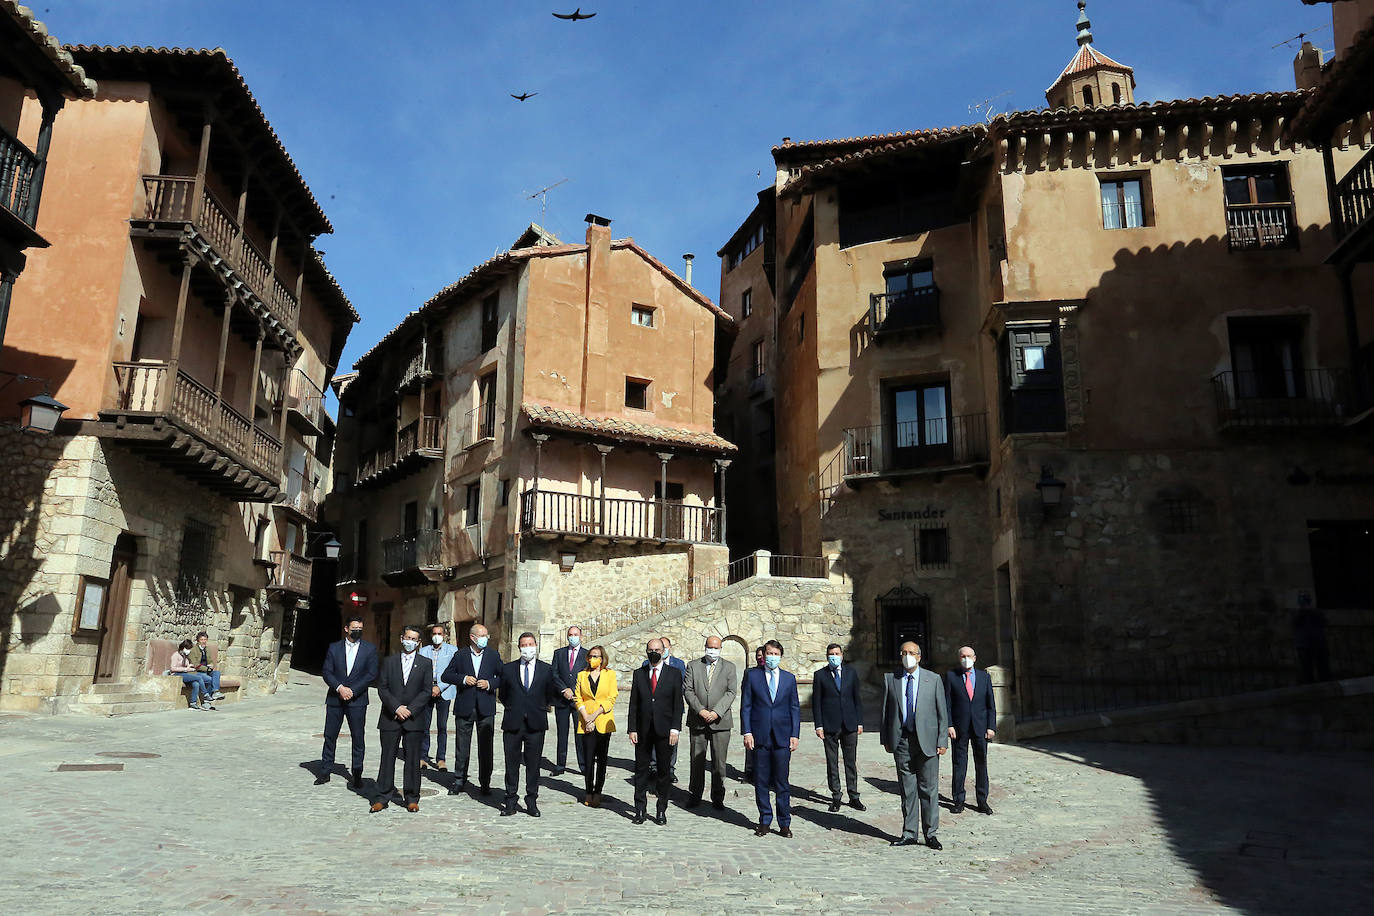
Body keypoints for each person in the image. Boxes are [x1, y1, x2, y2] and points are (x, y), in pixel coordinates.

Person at [880, 641, 949, 849]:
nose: (907, 656)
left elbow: (941, 713)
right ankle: (909, 832)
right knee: (907, 790)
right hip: (902, 742)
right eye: (903, 652)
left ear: (919, 656)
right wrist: (886, 739)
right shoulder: (891, 679)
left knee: (928, 789)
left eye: (911, 653)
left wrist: (942, 740)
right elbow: (885, 712)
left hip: (927, 742)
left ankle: (931, 833)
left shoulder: (933, 679)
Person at [740, 639, 801, 838]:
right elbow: (746, 706)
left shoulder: (789, 678)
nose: (772, 657)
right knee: (761, 781)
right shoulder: (753, 677)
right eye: (769, 653)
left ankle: (784, 822)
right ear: (763, 655)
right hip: (760, 735)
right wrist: (747, 732)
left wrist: (795, 734)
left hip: (782, 737)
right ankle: (765, 820)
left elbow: (794, 708)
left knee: (782, 782)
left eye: (776, 654)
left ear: (780, 656)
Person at [370, 625, 434, 813]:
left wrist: (410, 709)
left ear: (419, 642)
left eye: (414, 639)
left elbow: (426, 691)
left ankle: (412, 797)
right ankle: (382, 796)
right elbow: (382, 687)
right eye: (407, 637)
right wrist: (396, 707)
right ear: (401, 638)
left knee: (413, 759)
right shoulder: (389, 662)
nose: (410, 642)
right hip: (391, 716)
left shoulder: (425, 663)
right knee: (387, 757)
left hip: (414, 719)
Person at [497, 632, 558, 816]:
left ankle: (531, 800)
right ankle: (510, 800)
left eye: (530, 644)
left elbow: (550, 694)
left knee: (533, 765)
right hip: (513, 723)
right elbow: (503, 695)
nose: (527, 648)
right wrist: (516, 708)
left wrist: (537, 708)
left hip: (536, 723)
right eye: (524, 645)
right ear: (519, 648)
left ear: (536, 645)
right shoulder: (508, 669)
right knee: (511, 764)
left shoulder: (546, 670)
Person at [627, 637, 684, 825]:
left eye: (658, 650)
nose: (654, 653)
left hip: (665, 730)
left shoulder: (674, 674)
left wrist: (675, 729)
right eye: (650, 649)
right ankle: (640, 809)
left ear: (663, 651)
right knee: (641, 771)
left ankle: (661, 809)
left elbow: (678, 704)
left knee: (663, 772)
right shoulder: (639, 673)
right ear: (646, 651)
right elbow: (633, 703)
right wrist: (632, 729)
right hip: (643, 730)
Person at [441, 623, 502, 795]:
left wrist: (490, 683)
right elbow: (446, 675)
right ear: (472, 637)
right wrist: (463, 679)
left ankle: (485, 782)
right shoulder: (460, 655)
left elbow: (503, 677)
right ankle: (459, 780)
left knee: (486, 747)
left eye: (486, 635)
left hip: (486, 707)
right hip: (465, 706)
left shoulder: (493, 655)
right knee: (462, 746)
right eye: (481, 636)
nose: (485, 639)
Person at [318, 616, 378, 788]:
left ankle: (357, 772)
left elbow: (371, 674)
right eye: (354, 627)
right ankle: (325, 770)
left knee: (358, 737)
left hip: (357, 700)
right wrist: (339, 688)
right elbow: (327, 672)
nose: (357, 630)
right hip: (335, 699)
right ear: (346, 629)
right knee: (330, 735)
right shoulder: (334, 648)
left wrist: (353, 690)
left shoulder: (369, 649)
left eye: (360, 627)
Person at [684, 635, 737, 809]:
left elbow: (731, 692)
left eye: (716, 648)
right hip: (698, 720)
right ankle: (695, 794)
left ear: (721, 648)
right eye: (710, 647)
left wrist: (716, 712)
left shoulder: (729, 667)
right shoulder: (693, 666)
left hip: (720, 722)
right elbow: (688, 690)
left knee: (719, 762)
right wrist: (701, 710)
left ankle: (718, 796)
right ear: (705, 647)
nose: (712, 651)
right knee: (697, 760)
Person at [812, 643, 866, 813]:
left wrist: (859, 722)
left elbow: (857, 698)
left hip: (849, 724)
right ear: (827, 656)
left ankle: (854, 796)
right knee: (832, 762)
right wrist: (819, 725)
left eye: (837, 653)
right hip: (830, 725)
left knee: (851, 762)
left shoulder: (851, 673)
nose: (834, 656)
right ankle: (836, 795)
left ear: (842, 655)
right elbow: (816, 703)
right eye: (831, 654)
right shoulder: (820, 675)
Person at [944, 645, 996, 815]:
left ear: (975, 658)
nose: (966, 658)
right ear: (959, 658)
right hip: (959, 728)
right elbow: (947, 704)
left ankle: (982, 800)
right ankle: (958, 800)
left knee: (981, 764)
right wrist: (949, 724)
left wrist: (991, 726)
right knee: (959, 764)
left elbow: (990, 705)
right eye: (962, 656)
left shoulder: (984, 677)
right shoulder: (951, 676)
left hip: (980, 727)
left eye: (969, 656)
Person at [574, 644, 617, 806]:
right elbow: (578, 698)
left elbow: (611, 698)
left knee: (602, 759)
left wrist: (594, 715)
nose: (593, 659)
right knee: (588, 758)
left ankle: (598, 790)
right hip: (586, 721)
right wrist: (586, 718)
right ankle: (588, 791)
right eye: (591, 656)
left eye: (596, 656)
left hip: (603, 720)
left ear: (602, 658)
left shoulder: (610, 675)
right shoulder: (582, 675)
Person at [641, 634, 687, 782]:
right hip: (652, 711)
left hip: (670, 709)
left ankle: (670, 769)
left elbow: (682, 687)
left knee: (671, 742)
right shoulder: (645, 665)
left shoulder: (678, 664)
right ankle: (654, 767)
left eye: (663, 648)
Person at [550, 625, 589, 776]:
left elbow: (587, 675)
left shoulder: (587, 655)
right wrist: (563, 689)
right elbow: (554, 674)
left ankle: (584, 765)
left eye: (575, 634)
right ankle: (560, 765)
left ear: (581, 636)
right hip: (561, 699)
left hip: (579, 701)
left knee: (580, 734)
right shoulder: (559, 653)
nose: (572, 637)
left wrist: (574, 690)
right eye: (570, 634)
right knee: (562, 733)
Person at [419, 623, 459, 771]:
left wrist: (440, 687)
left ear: (444, 635)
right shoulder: (423, 651)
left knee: (442, 726)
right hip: (427, 691)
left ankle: (441, 758)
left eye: (440, 634)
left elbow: (453, 672)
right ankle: (423, 756)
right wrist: (429, 688)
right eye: (434, 633)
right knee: (425, 725)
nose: (437, 636)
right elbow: (420, 672)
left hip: (444, 690)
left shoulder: (452, 651)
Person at [169, 639, 215, 710]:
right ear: (183, 648)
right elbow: (172, 668)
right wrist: (185, 669)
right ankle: (205, 694)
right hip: (176, 674)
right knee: (199, 678)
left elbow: (186, 667)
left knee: (196, 684)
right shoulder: (176, 655)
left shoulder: (185, 656)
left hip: (185, 674)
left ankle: (193, 703)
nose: (189, 651)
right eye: (188, 649)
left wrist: (190, 668)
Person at [742, 645, 765, 781]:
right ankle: (749, 772)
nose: (760, 658)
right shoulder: (749, 673)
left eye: (763, 655)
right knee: (750, 745)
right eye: (758, 655)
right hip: (753, 714)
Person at [189, 632, 225, 702]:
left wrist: (211, 665)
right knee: (210, 679)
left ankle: (215, 692)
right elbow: (195, 664)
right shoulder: (193, 650)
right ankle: (206, 699)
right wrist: (206, 669)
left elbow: (210, 660)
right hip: (197, 671)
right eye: (202, 640)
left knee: (216, 673)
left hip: (207, 670)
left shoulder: (207, 649)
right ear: (198, 640)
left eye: (205, 639)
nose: (203, 641)